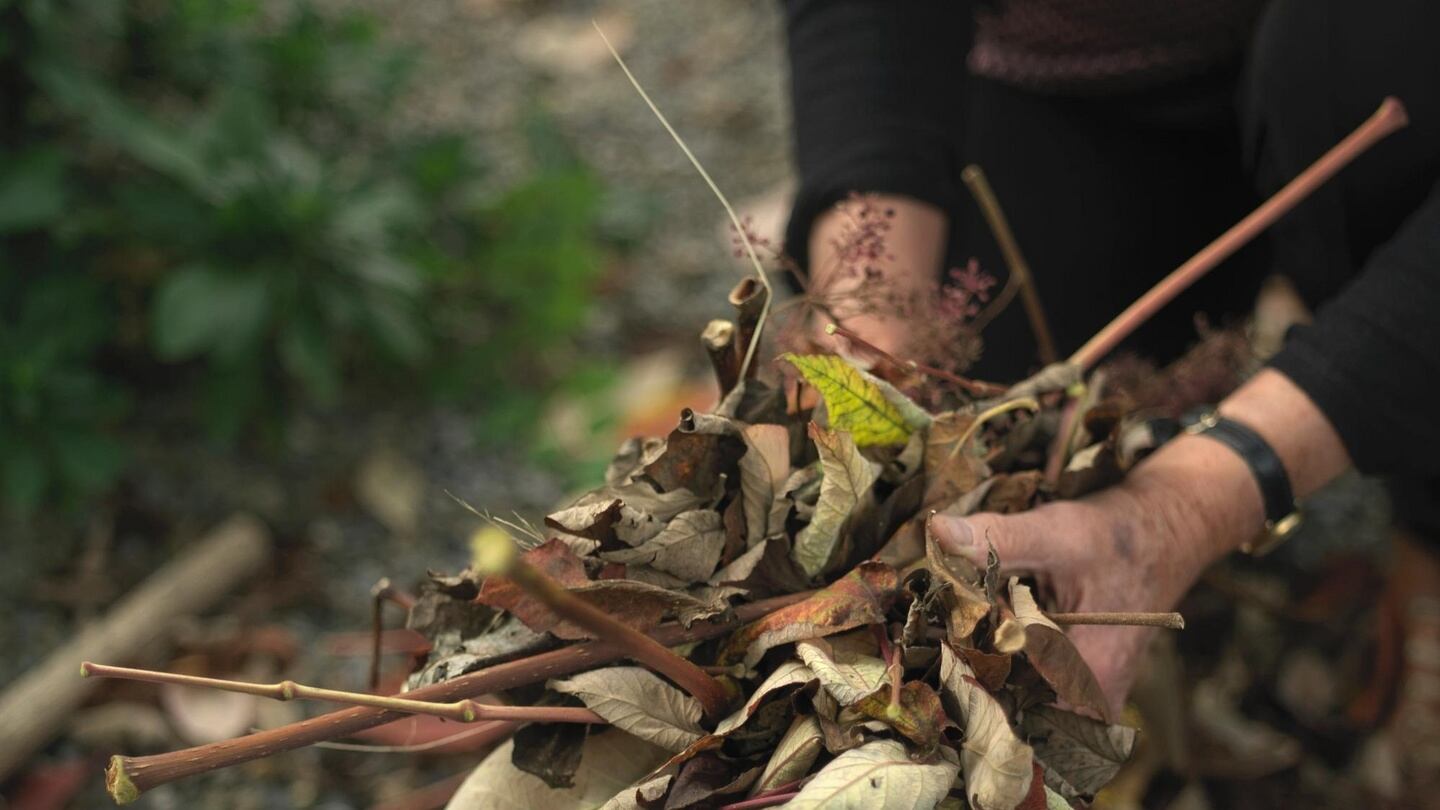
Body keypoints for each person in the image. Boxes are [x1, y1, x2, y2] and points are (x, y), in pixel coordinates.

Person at [780, 0, 1440, 780]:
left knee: (1353, 55)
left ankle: (1426, 531)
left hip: (1379, 84)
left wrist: (1191, 500)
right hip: (1087, 86)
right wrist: (869, 312)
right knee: (1010, 425)